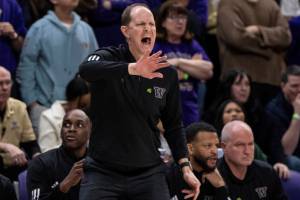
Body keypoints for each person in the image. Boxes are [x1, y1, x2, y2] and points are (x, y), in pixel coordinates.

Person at [79, 3, 200, 200]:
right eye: (141, 24)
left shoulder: (167, 73)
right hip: (103, 172)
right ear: (125, 31)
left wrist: (185, 167)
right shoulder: (108, 56)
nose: (148, 29)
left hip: (149, 173)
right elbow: (86, 69)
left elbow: (174, 125)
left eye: (152, 24)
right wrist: (132, 68)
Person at [17, 0, 98, 137]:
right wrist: (32, 103)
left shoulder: (86, 29)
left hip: (81, 111)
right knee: (48, 155)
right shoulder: (39, 28)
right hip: (46, 107)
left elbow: (96, 67)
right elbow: (26, 66)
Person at [217, 0, 291, 106]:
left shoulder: (271, 4)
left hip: (273, 81)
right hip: (240, 82)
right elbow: (236, 38)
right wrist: (271, 48)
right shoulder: (228, 3)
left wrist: (258, 30)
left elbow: (286, 37)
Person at [154, 1, 213, 126]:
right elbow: (156, 72)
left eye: (182, 17)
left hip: (189, 111)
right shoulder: (156, 45)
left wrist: (178, 62)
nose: (180, 22)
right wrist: (191, 68)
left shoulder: (192, 44)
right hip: (163, 110)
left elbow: (208, 70)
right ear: (163, 22)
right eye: (174, 17)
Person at [27, 109, 91, 200]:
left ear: (90, 132)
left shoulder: (98, 163)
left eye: (79, 125)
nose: (71, 129)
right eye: (66, 125)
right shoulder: (41, 163)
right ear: (61, 131)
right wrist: (64, 186)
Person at [218, 120, 287, 199]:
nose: (247, 151)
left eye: (250, 144)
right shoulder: (212, 177)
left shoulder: (267, 172)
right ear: (223, 146)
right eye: (240, 145)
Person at [167, 122, 229, 200]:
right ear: (190, 149)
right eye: (208, 146)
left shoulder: (220, 172)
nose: (215, 151)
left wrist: (220, 186)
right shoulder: (170, 176)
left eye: (216, 145)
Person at [0, 66, 40, 181]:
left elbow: (30, 143)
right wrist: (7, 147)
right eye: (0, 83)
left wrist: (37, 157)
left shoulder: (19, 107)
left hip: (13, 166)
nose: (5, 88)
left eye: (8, 83)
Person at [38, 75, 90, 153]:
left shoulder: (88, 117)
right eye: (81, 105)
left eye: (86, 107)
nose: (83, 111)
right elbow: (46, 150)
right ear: (71, 99)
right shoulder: (48, 117)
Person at [265, 65, 300, 171]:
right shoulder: (273, 111)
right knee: (294, 162)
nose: (299, 90)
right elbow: (286, 151)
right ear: (283, 86)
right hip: (282, 161)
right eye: (294, 86)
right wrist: (297, 114)